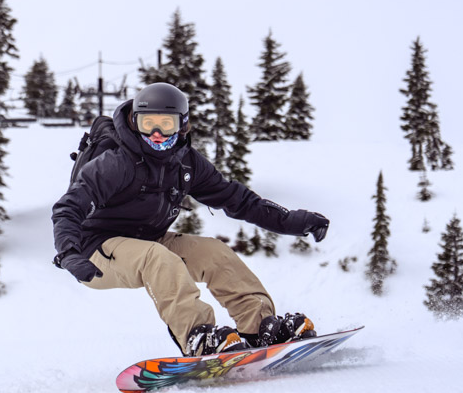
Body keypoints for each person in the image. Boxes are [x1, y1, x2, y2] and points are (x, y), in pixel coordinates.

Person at [51, 82, 330, 357]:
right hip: (94, 249)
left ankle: (257, 326)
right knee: (158, 258)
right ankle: (198, 336)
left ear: (183, 125)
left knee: (214, 253)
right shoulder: (116, 163)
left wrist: (292, 221)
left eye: (166, 124)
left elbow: (239, 200)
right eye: (148, 124)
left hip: (150, 241)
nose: (157, 134)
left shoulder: (185, 163)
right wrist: (69, 252)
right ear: (135, 123)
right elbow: (68, 208)